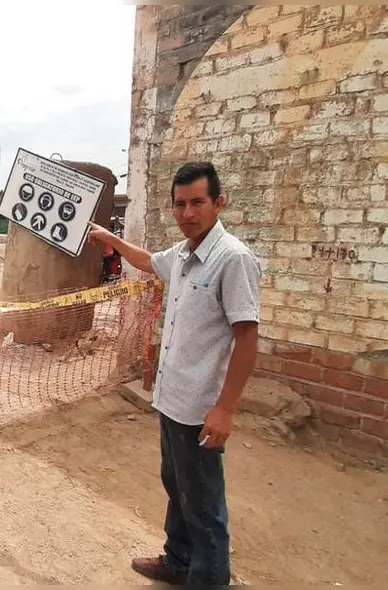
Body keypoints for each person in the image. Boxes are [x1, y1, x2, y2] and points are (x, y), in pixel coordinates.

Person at [87, 161, 261, 586]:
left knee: (204, 507)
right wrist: (112, 239)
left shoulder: (232, 260)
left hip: (202, 409)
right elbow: (149, 262)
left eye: (197, 202)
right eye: (180, 204)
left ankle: (208, 580)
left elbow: (248, 337)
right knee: (177, 488)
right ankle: (178, 562)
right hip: (172, 400)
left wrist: (225, 408)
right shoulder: (183, 254)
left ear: (218, 203)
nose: (187, 213)